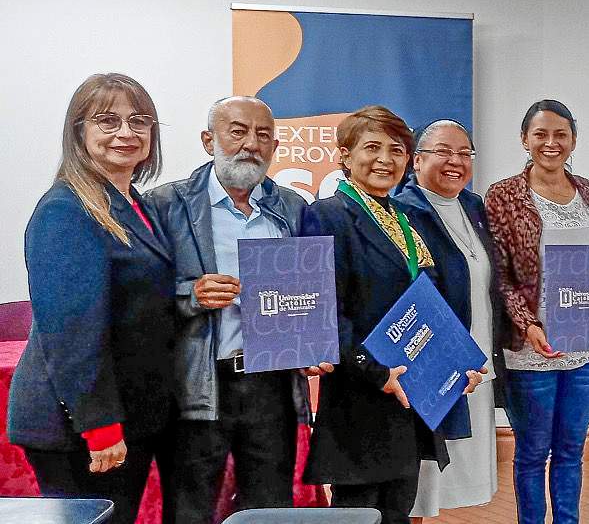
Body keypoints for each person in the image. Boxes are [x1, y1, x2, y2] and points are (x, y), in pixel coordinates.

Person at [145, 96, 330, 524]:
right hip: (198, 383)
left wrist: (311, 342)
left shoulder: (291, 208)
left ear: (275, 147)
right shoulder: (165, 206)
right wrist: (191, 294)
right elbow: (139, 303)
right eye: (238, 131)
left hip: (272, 385)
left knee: (270, 507)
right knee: (191, 507)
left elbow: (309, 294)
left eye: (263, 135)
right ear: (209, 140)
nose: (251, 143)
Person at [299, 105, 483, 524]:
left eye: (397, 150)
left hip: (411, 397)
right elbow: (325, 312)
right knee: (360, 513)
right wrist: (376, 373)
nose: (386, 159)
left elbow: (429, 306)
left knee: (398, 510)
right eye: (372, 147)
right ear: (344, 155)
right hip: (363, 396)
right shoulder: (325, 215)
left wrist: (457, 367)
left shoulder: (402, 217)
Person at [8, 73, 175, 524]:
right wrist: (99, 425)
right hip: (78, 427)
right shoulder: (67, 209)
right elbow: (71, 332)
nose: (126, 133)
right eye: (108, 121)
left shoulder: (132, 202)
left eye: (139, 121)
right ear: (78, 130)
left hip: (127, 412)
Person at [484, 100, 589, 524]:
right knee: (531, 452)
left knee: (570, 450)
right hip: (532, 348)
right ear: (525, 139)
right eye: (540, 134)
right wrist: (527, 326)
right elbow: (500, 275)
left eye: (560, 134)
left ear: (573, 140)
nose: (550, 143)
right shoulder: (504, 195)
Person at [394, 119, 498, 517]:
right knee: (422, 483)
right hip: (431, 368)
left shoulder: (474, 207)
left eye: (464, 153)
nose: (455, 161)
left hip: (476, 363)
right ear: (416, 161)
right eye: (443, 151)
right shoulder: (402, 212)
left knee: (455, 483)